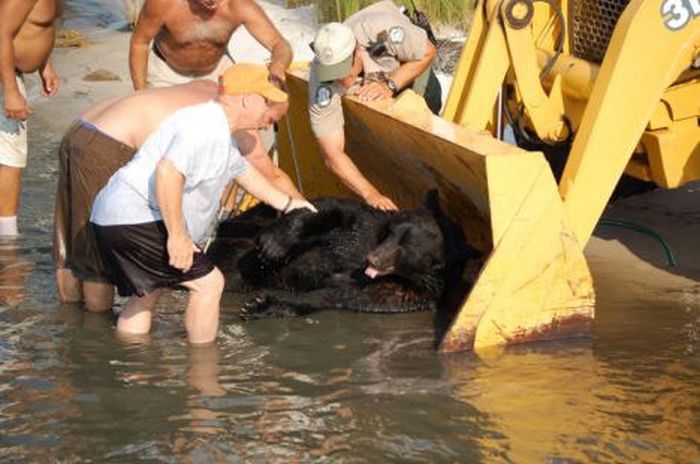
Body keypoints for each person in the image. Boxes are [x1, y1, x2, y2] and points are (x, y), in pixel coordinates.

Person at [89, 64, 316, 344]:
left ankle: (135, 369)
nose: (268, 123)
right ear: (249, 99)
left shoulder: (216, 128)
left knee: (149, 292)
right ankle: (203, 370)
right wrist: (178, 237)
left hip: (115, 216)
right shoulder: (207, 128)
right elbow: (168, 172)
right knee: (209, 285)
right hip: (134, 216)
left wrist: (291, 204)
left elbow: (243, 173)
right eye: (270, 114)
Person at [54, 79, 303, 313]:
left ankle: (70, 320)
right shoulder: (229, 120)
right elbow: (269, 175)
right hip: (107, 143)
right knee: (95, 259)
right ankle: (97, 332)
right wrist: (308, 215)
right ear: (255, 100)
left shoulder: (212, 91)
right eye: (273, 118)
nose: (267, 125)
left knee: (72, 245)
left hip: (81, 128)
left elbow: (241, 171)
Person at [308, 0, 441, 211]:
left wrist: (390, 84)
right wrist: (371, 194)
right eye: (333, 77)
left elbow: (428, 52)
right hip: (374, 80)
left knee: (421, 123)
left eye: (344, 73)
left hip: (409, 67)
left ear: (357, 51)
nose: (342, 82)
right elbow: (332, 153)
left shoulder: (384, 30)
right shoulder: (320, 76)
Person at [129, 0, 291, 90]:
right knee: (159, 136)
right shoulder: (163, 4)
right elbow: (139, 44)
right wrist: (140, 91)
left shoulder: (240, 6)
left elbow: (280, 44)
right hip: (165, 72)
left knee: (233, 135)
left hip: (217, 72)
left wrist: (278, 67)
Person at [0, 0, 61, 237]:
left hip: (11, 75)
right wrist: (11, 91)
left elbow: (33, 25)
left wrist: (44, 63)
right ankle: (7, 243)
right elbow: (2, 31)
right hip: (6, 78)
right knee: (9, 160)